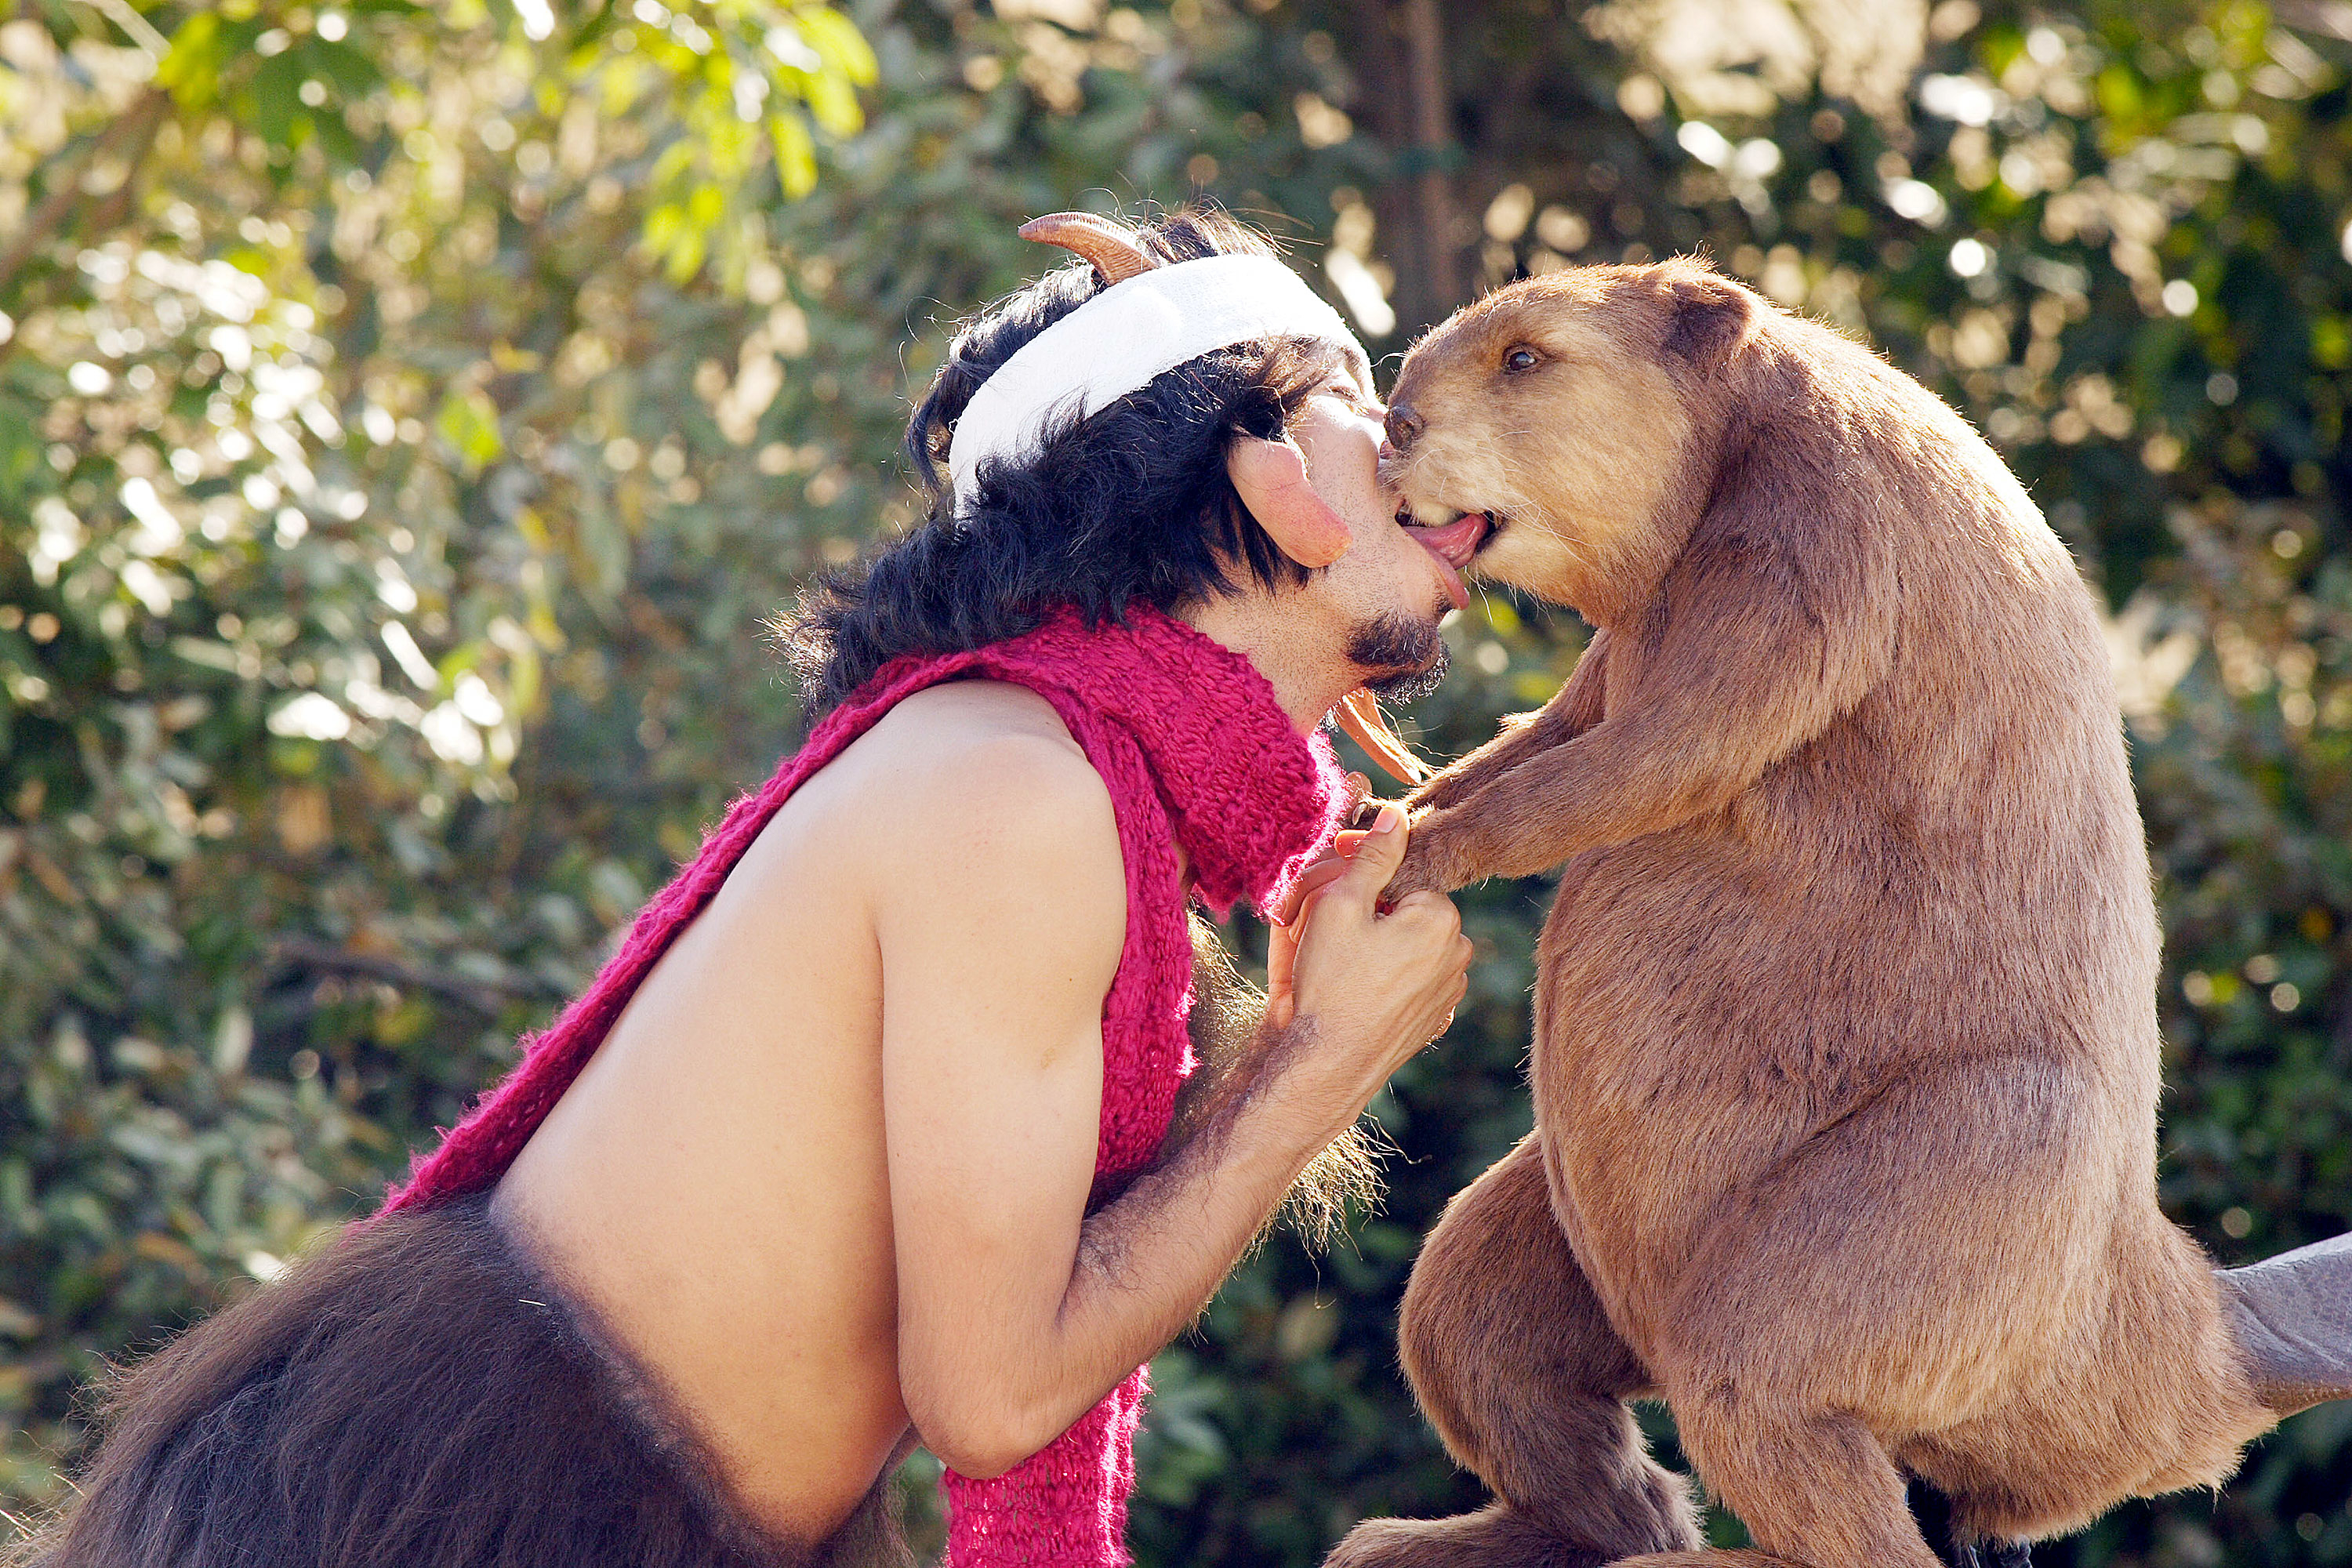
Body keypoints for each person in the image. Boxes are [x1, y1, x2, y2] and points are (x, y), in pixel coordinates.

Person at [18, 206, 1472, 1568]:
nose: (1418, 455)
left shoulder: (1041, 770)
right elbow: (998, 1388)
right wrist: (1321, 1059)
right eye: (1366, 403)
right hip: (460, 1501)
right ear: (1263, 469)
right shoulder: (1019, 793)